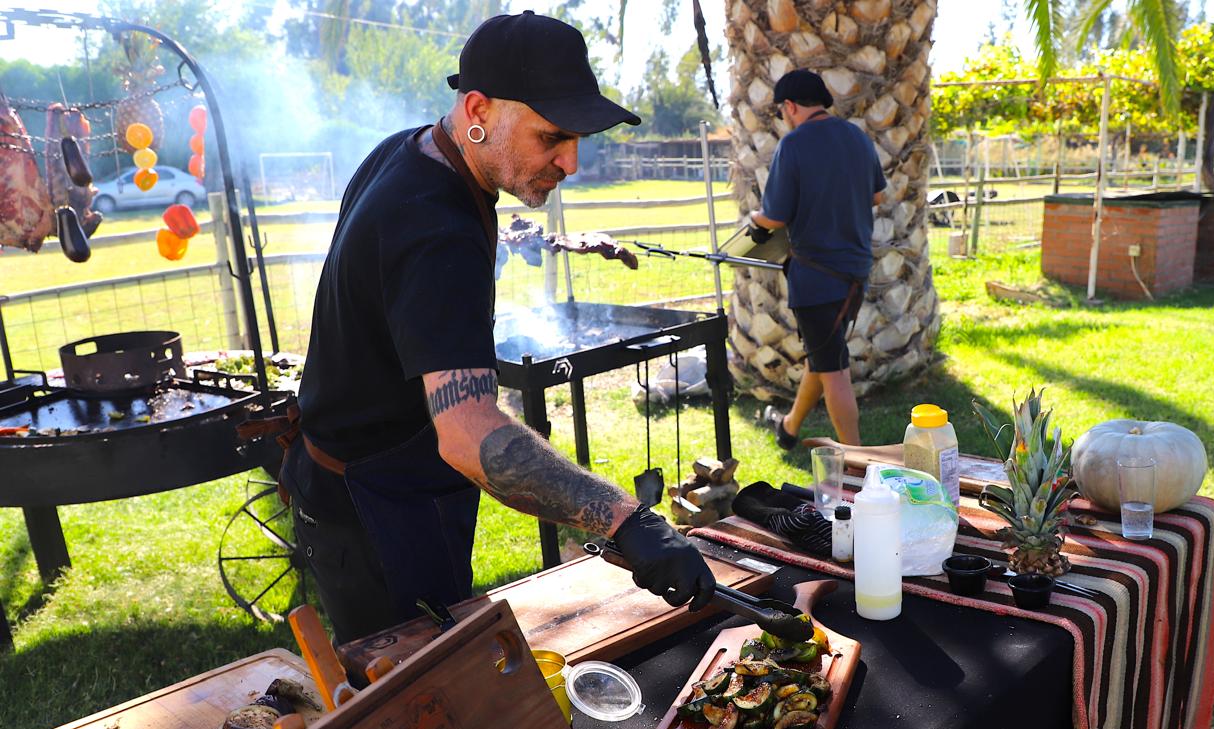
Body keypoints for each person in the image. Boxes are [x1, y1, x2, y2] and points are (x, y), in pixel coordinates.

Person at [278, 12, 715, 644]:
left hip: (357, 480)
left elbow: (393, 276)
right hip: (374, 508)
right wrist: (625, 521)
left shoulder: (413, 150)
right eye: (552, 137)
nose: (571, 163)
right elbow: (469, 435)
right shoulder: (437, 229)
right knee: (413, 706)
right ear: (478, 108)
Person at [748, 69, 886, 449]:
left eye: (781, 112)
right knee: (824, 357)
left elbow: (774, 217)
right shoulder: (857, 138)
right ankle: (790, 428)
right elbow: (877, 196)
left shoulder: (793, 145)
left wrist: (753, 221)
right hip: (856, 274)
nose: (783, 119)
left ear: (790, 106)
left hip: (815, 279)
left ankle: (858, 463)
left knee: (834, 369)